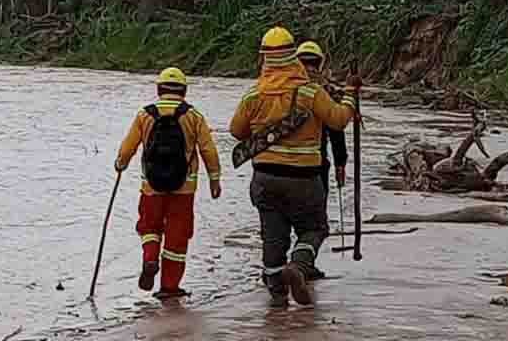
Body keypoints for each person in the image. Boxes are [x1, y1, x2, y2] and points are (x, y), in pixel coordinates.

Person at [230, 27, 358, 308]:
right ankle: (299, 266)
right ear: (292, 57)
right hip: (305, 179)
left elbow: (237, 131)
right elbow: (337, 121)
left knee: (273, 235)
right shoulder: (310, 93)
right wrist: (349, 97)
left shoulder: (253, 94)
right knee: (314, 228)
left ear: (263, 57)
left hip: (264, 179)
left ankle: (276, 294)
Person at [115, 67, 222, 300]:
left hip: (151, 189)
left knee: (148, 227)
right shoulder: (194, 116)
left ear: (158, 89)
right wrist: (215, 179)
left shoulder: (144, 115)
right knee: (178, 236)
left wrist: (120, 164)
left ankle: (150, 257)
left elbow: (127, 148)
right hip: (183, 190)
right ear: (184, 90)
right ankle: (169, 287)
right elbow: (208, 151)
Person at [294, 41, 348, 281]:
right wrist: (341, 163)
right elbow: (336, 129)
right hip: (314, 168)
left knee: (283, 223)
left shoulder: (276, 89)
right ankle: (301, 263)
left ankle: (276, 271)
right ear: (321, 64)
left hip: (272, 168)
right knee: (316, 223)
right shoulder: (322, 92)